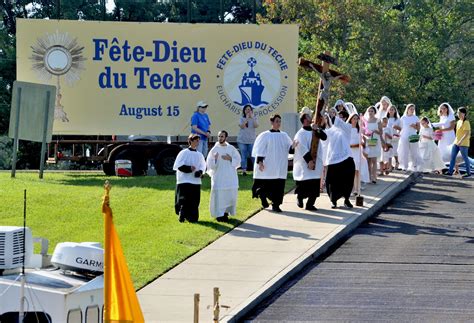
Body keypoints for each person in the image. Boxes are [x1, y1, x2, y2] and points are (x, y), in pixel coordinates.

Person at [252, 114, 294, 212]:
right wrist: (260, 162)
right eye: (276, 121)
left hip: (280, 166)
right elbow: (260, 149)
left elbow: (290, 149)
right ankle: (262, 197)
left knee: (279, 187)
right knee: (266, 186)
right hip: (268, 166)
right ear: (271, 122)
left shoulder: (284, 135)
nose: (278, 123)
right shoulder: (265, 135)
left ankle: (276, 205)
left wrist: (294, 146)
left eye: (279, 121)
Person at [293, 111, 327, 211]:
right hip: (304, 162)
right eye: (308, 116)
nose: (311, 117)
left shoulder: (315, 129)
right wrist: (309, 161)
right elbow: (302, 148)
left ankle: (310, 204)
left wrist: (317, 130)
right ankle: (299, 197)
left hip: (317, 160)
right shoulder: (300, 133)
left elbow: (324, 137)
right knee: (304, 182)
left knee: (315, 183)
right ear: (304, 120)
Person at [206, 130, 241, 222]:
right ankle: (219, 214)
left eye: (222, 136)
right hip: (219, 177)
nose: (220, 138)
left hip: (230, 177)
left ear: (226, 138)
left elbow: (238, 161)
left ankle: (225, 213)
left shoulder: (231, 148)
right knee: (219, 196)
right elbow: (210, 165)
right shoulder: (214, 149)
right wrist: (216, 159)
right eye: (219, 136)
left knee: (229, 196)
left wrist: (230, 159)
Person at [324, 109, 355, 209]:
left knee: (348, 180)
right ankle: (333, 201)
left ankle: (346, 199)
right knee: (332, 182)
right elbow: (324, 138)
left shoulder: (347, 127)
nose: (339, 119)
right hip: (334, 160)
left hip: (346, 158)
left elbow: (339, 123)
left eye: (341, 117)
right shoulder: (330, 130)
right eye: (338, 116)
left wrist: (333, 115)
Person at [173, 134, 206, 223]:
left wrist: (200, 173)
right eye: (196, 140)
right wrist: (189, 168)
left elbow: (203, 166)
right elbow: (178, 166)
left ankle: (192, 217)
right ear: (190, 141)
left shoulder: (200, 155)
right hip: (184, 180)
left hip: (195, 182)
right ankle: (182, 214)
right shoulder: (183, 153)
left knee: (194, 201)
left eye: (198, 141)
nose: (197, 142)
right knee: (183, 199)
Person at [347, 113, 370, 195]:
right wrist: (352, 145)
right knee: (350, 172)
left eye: (357, 119)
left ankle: (357, 189)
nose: (355, 120)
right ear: (350, 119)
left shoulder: (359, 129)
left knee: (357, 171)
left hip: (357, 152)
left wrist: (362, 143)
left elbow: (362, 141)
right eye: (354, 119)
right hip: (350, 152)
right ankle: (351, 188)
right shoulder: (347, 129)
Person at [448, 107, 471, 178]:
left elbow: (467, 133)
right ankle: (450, 172)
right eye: (457, 113)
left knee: (465, 158)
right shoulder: (458, 122)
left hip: (463, 143)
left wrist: (461, 141)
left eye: (459, 113)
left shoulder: (466, 122)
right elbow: (458, 133)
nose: (458, 114)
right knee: (452, 157)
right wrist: (456, 141)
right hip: (456, 142)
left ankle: (468, 173)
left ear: (463, 113)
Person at [398, 104, 422, 172]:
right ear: (407, 109)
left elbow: (418, 129)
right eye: (411, 109)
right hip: (404, 136)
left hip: (413, 136)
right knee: (404, 151)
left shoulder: (416, 118)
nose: (412, 110)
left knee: (414, 151)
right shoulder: (403, 118)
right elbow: (400, 127)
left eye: (413, 109)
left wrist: (414, 126)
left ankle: (415, 166)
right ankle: (405, 166)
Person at [363, 106, 383, 183]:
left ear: (375, 112)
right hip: (368, 141)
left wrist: (375, 131)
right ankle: (369, 176)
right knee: (368, 160)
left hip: (375, 141)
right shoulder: (366, 121)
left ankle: (374, 177)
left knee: (374, 160)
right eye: (369, 111)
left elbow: (381, 132)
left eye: (372, 111)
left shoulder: (378, 120)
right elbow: (363, 132)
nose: (370, 112)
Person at [237, 104, 259, 176]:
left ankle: (256, 170)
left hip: (251, 140)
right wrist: (246, 119)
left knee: (253, 155)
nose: (248, 111)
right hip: (242, 140)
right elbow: (242, 126)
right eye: (246, 109)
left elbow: (256, 126)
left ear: (252, 111)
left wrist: (252, 118)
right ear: (244, 111)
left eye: (249, 109)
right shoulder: (241, 118)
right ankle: (244, 170)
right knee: (243, 155)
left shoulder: (254, 118)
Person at [387, 105, 401, 169]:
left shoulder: (398, 119)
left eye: (392, 109)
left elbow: (401, 128)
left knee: (394, 150)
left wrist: (396, 127)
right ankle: (390, 165)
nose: (391, 111)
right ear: (388, 111)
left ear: (395, 111)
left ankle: (397, 162)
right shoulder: (386, 119)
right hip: (387, 136)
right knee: (389, 150)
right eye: (390, 109)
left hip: (395, 136)